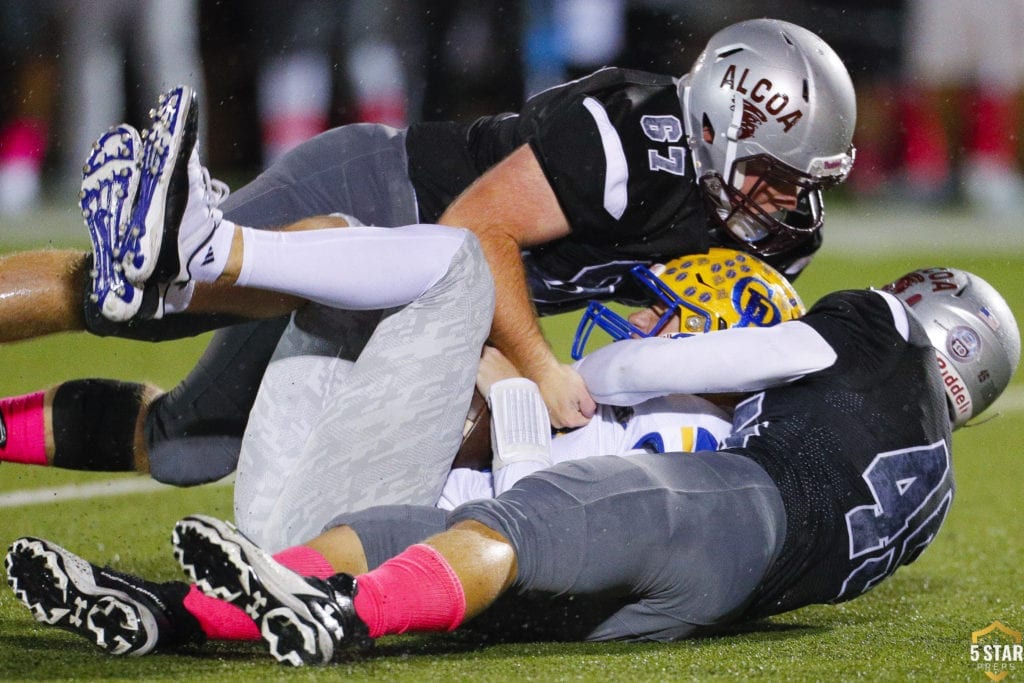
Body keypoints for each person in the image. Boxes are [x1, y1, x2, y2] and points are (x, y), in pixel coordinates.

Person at [6, 265, 1018, 663]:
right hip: (707, 596)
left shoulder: (873, 335)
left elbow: (739, 355)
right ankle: (172, 612)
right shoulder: (930, 486)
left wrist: (595, 369)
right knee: (425, 547)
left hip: (727, 507)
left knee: (522, 523)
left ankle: (340, 610)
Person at [0, 16, 857, 469]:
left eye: (807, 180)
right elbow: (475, 229)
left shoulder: (761, 225)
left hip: (436, 291)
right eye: (774, 173)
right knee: (141, 296)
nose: (789, 200)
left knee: (191, 445)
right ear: (714, 126)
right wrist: (541, 369)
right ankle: (183, 239)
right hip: (378, 202)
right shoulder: (632, 134)